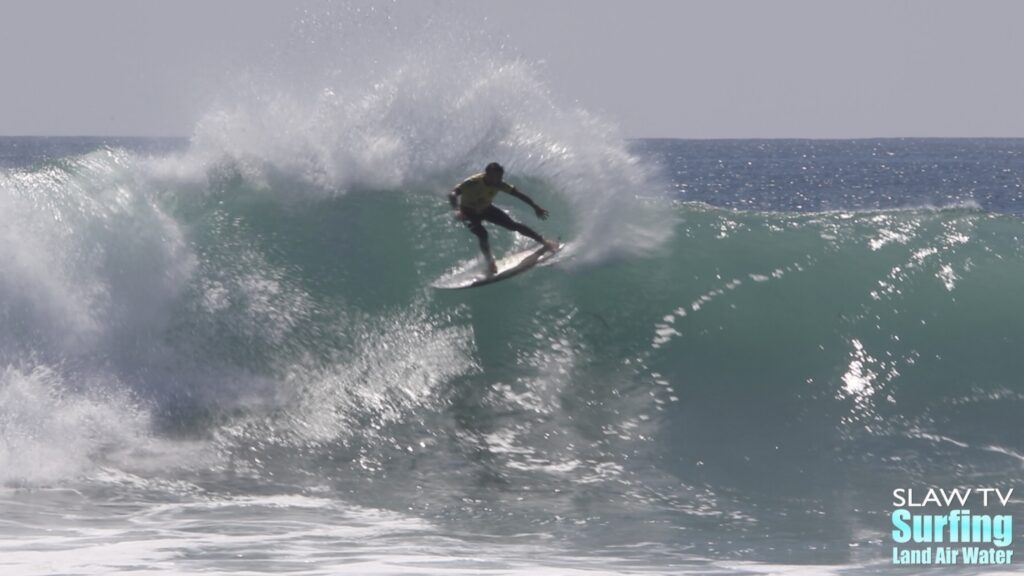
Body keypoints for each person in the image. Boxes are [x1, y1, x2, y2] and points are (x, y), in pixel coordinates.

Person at [449, 162, 559, 275]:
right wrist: (457, 210)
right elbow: (452, 194)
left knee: (513, 225)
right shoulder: (472, 182)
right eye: (496, 177)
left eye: (500, 177)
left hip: (487, 209)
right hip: (468, 213)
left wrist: (535, 206)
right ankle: (490, 263)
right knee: (483, 234)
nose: (499, 180)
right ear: (487, 175)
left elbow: (519, 194)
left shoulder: (500, 184)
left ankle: (543, 241)